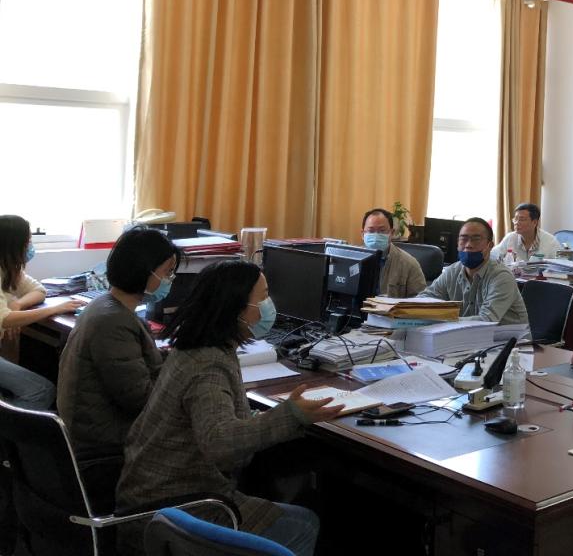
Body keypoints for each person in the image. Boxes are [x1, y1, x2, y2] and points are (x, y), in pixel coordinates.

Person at [116, 261, 344, 556]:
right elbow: (220, 443)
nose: (268, 306)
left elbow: (210, 419)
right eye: (263, 296)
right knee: (303, 524)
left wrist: (259, 418)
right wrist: (290, 415)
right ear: (235, 308)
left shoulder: (194, 348)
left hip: (153, 495)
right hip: (180, 505)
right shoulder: (209, 365)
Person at [57, 227, 179, 458]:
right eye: (167, 272)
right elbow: (142, 399)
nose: (170, 279)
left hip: (97, 432)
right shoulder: (113, 322)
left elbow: (139, 361)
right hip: (103, 448)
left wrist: (181, 358)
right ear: (144, 270)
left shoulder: (107, 305)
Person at [0, 214, 85, 410]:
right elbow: (5, 319)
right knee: (42, 391)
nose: (30, 247)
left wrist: (18, 304)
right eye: (27, 242)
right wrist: (54, 309)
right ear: (13, 245)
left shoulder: (8, 269)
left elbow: (39, 290)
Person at [418, 217, 528, 324]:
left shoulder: (501, 276)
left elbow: (487, 320)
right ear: (457, 243)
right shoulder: (452, 272)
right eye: (463, 239)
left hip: (508, 335)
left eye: (476, 239)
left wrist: (441, 319)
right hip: (466, 334)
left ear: (490, 246)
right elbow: (424, 299)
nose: (468, 245)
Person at [361, 207, 426, 298]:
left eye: (382, 231)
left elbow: (419, 301)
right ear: (363, 234)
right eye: (371, 231)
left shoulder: (409, 264)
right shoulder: (351, 259)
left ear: (391, 233)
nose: (376, 235)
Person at [493, 203, 561, 262]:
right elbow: (493, 255)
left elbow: (560, 265)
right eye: (515, 219)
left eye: (522, 219)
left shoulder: (551, 242)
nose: (516, 223)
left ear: (534, 222)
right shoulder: (510, 238)